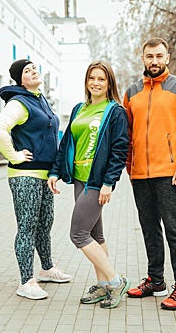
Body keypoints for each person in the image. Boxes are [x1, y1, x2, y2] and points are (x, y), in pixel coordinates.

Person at [48, 61, 130, 309]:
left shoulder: (115, 111)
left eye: (101, 79)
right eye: (92, 78)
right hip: (80, 178)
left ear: (109, 84)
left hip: (97, 180)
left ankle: (115, 281)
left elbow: (119, 149)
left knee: (78, 234)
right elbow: (66, 143)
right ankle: (103, 285)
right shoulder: (78, 109)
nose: (96, 83)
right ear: (86, 81)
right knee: (96, 234)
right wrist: (55, 171)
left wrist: (108, 182)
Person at [124, 37, 176, 310]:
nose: (154, 61)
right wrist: (130, 166)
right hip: (140, 174)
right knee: (149, 228)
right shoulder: (132, 92)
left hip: (170, 172)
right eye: (149, 56)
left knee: (175, 229)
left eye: (159, 56)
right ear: (142, 58)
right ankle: (156, 280)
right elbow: (127, 133)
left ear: (167, 58)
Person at [0, 59, 72, 301]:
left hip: (44, 175)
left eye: (34, 68)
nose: (33, 71)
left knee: (44, 224)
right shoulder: (19, 102)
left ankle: (46, 269)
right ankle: (26, 281)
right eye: (27, 70)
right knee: (27, 227)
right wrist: (14, 156)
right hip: (25, 175)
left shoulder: (40, 100)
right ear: (19, 79)